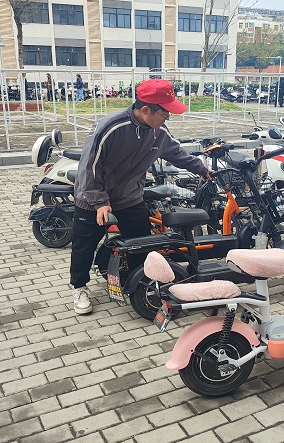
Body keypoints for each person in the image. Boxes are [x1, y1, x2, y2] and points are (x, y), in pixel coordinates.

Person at [69, 79, 210, 314]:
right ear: (146, 110)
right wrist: (99, 202)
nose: (168, 118)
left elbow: (177, 153)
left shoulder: (159, 132)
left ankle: (140, 282)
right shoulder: (110, 128)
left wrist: (202, 169)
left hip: (129, 197)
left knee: (142, 242)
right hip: (93, 199)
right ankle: (79, 287)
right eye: (165, 113)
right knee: (85, 244)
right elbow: (89, 167)